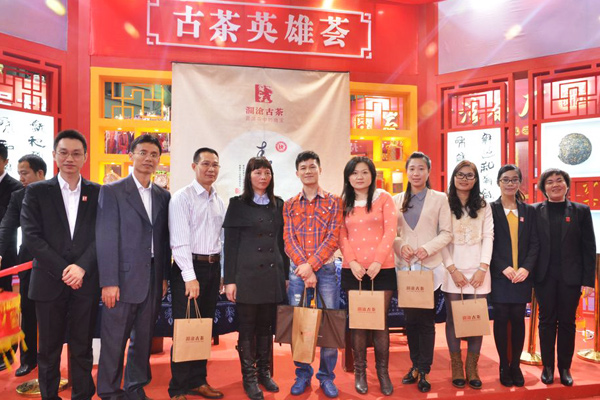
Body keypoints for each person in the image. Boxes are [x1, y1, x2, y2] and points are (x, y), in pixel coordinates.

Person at [21, 130, 101, 400]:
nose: (70, 158)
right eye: (64, 152)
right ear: (54, 155)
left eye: (76, 153)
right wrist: (65, 270)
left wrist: (82, 267)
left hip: (85, 282)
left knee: (82, 347)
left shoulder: (97, 192)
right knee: (48, 349)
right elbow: (31, 237)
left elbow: (102, 235)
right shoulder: (36, 192)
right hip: (48, 281)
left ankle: (82, 395)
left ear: (85, 157)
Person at [96, 134, 171, 400]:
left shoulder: (163, 195)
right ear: (131, 156)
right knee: (114, 339)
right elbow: (105, 238)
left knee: (144, 339)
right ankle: (109, 391)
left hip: (152, 277)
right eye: (143, 153)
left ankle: (135, 387)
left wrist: (163, 277)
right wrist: (108, 281)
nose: (148, 159)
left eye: (154, 154)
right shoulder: (112, 191)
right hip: (121, 278)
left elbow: (163, 239)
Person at [223, 157, 289, 400]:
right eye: (258, 172)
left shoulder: (278, 204)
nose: (263, 177)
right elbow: (230, 246)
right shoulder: (237, 204)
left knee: (266, 327)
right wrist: (230, 280)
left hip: (272, 275)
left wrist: (285, 275)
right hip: (247, 275)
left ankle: (264, 372)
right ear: (249, 176)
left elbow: (283, 244)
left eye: (267, 173)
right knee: (247, 328)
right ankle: (249, 377)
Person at [283, 151, 342, 398]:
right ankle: (302, 374)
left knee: (329, 326)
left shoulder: (334, 201)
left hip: (326, 271)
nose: (308, 171)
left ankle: (327, 377)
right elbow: (288, 240)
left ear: (320, 170)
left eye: (312, 167)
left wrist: (312, 266)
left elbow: (334, 238)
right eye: (303, 168)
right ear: (297, 173)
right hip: (298, 272)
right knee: (300, 325)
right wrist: (305, 269)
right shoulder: (289, 204)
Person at [168, 147, 225, 400]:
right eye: (205, 164)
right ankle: (178, 387)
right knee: (185, 327)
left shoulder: (218, 200)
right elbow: (179, 241)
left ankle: (198, 380)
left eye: (215, 165)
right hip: (188, 268)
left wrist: (221, 273)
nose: (211, 169)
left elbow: (220, 240)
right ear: (194, 167)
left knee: (203, 327)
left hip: (212, 268)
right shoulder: (182, 197)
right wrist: (189, 276)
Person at [393, 151, 452, 393]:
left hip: (430, 268)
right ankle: (415, 365)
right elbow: (392, 233)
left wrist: (427, 248)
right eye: (412, 169)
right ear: (406, 172)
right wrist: (400, 245)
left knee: (426, 321)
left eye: (421, 169)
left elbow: (447, 233)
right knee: (410, 321)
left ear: (428, 171)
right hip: (406, 269)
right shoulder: (396, 199)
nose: (416, 173)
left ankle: (424, 369)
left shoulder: (440, 199)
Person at [339, 156, 397, 396]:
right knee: (359, 323)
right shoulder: (343, 202)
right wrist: (352, 261)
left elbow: (390, 231)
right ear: (348, 177)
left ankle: (383, 373)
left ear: (372, 175)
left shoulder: (384, 198)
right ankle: (360, 372)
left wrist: (377, 262)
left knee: (380, 322)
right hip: (353, 270)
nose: (359, 177)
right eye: (354, 173)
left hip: (382, 269)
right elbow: (341, 234)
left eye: (364, 172)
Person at [533, 168, 596, 386]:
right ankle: (548, 367)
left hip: (571, 277)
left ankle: (565, 368)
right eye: (549, 182)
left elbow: (588, 247)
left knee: (568, 323)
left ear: (567, 185)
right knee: (546, 322)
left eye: (559, 180)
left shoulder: (580, 211)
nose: (555, 185)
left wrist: (588, 281)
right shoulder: (534, 211)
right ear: (543, 188)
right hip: (544, 277)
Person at [441, 160, 494, 390]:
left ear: (476, 179)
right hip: (452, 271)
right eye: (460, 175)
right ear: (453, 177)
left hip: (479, 273)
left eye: (469, 175)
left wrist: (483, 268)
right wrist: (452, 269)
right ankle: (456, 366)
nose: (464, 179)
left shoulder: (483, 205)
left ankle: (472, 367)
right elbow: (441, 239)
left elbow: (489, 237)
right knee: (453, 320)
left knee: (475, 320)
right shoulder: (444, 203)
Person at [490, 164, 539, 387]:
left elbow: (535, 243)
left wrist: (526, 268)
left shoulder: (529, 211)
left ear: (519, 183)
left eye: (514, 180)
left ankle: (515, 366)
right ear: (498, 182)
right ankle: (503, 364)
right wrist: (503, 267)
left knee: (518, 319)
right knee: (501, 318)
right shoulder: (490, 209)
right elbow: (488, 242)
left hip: (522, 276)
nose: (510, 183)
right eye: (506, 179)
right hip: (501, 275)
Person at [0, 154, 46, 377]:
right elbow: (7, 226)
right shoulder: (18, 196)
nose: (21, 178)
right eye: (19, 173)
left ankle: (51, 360)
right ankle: (29, 360)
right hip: (28, 262)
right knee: (27, 310)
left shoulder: (56, 193)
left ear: (40, 173)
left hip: (59, 264)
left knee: (55, 314)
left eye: (25, 173)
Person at [0, 141, 23, 295]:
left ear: (6, 162)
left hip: (5, 251)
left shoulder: (16, 187)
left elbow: (14, 220)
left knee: (4, 295)